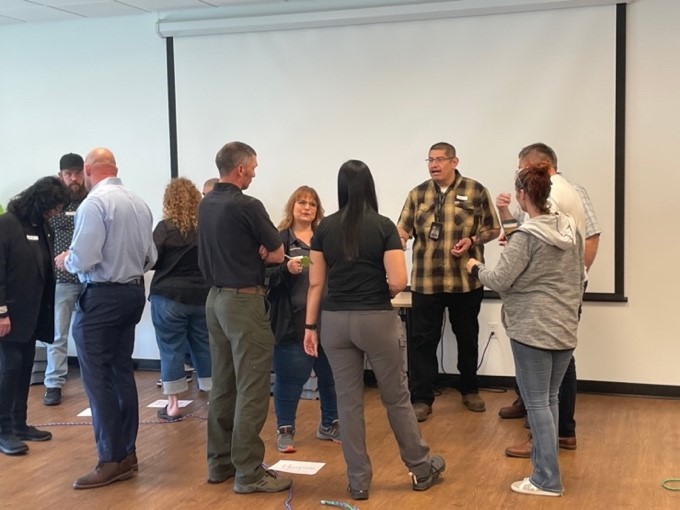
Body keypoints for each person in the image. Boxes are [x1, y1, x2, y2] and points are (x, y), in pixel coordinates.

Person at [304, 160, 445, 501]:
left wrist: (310, 326)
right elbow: (398, 280)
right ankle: (421, 468)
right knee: (396, 396)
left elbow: (315, 282)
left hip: (334, 322)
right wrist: (381, 292)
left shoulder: (322, 230)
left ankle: (358, 482)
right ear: (369, 186)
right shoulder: (384, 226)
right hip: (376, 320)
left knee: (348, 403)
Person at [466, 162, 584, 497]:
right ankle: (546, 472)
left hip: (531, 330)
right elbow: (578, 277)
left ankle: (546, 479)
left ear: (522, 194)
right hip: (563, 328)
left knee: (536, 404)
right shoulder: (569, 229)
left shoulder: (525, 238)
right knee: (548, 400)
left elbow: (500, 280)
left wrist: (475, 266)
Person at [55, 147, 157, 489]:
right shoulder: (139, 203)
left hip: (101, 297)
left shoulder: (94, 204)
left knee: (97, 381)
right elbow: (150, 257)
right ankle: (127, 454)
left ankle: (110, 459)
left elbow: (84, 257)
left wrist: (66, 259)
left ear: (87, 170)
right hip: (131, 293)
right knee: (121, 374)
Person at [198, 141, 292, 494]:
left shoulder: (205, 204)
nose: (254, 172)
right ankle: (249, 472)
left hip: (214, 300)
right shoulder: (248, 206)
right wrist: (265, 252)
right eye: (252, 166)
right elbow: (278, 253)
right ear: (240, 168)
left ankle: (219, 463)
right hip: (243, 302)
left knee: (223, 385)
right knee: (252, 388)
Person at [497, 143, 596, 457]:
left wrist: (576, 278)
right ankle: (555, 433)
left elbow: (589, 237)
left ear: (534, 167)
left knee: (553, 377)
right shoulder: (560, 191)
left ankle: (549, 439)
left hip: (550, 298)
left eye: (520, 169)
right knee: (552, 373)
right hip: (556, 293)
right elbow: (531, 240)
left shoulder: (556, 193)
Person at [397, 142, 500, 420]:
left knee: (467, 337)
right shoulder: (417, 194)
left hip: (465, 281)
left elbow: (493, 229)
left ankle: (470, 390)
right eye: (430, 159)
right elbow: (402, 228)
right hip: (426, 283)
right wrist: (400, 240)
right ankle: (422, 398)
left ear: (454, 162)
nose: (434, 164)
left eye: (440, 159)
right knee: (422, 342)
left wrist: (473, 240)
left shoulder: (475, 190)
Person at [0, 177, 69, 455]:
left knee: (24, 368)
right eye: (53, 206)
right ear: (39, 201)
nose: (55, 212)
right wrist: (1, 311)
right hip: (9, 315)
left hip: (33, 313)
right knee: (8, 370)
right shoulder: (6, 225)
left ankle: (19, 424)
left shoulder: (41, 227)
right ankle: (3, 430)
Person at [268, 186, 339, 453]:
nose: (306, 207)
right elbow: (264, 279)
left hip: (326, 319)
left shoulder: (326, 239)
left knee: (329, 374)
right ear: (292, 206)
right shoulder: (278, 240)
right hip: (290, 321)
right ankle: (285, 429)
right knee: (289, 377)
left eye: (312, 203)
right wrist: (284, 270)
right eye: (301, 202)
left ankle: (329, 424)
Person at [150, 177, 212, 421]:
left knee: (170, 348)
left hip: (168, 296)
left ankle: (173, 405)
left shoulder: (165, 228)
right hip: (202, 296)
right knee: (205, 347)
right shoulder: (206, 228)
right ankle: (212, 400)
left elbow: (152, 260)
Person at [43, 153, 87, 406]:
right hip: (61, 279)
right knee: (58, 335)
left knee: (90, 334)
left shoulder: (92, 200)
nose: (74, 178)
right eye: (68, 174)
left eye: (78, 173)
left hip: (90, 278)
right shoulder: (51, 204)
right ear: (60, 175)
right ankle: (53, 383)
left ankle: (93, 379)